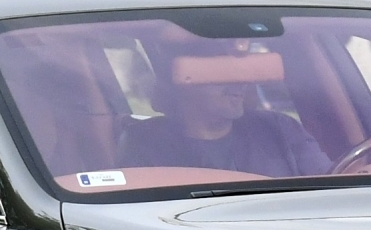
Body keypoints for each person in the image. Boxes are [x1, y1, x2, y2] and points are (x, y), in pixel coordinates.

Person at [120, 47, 330, 178]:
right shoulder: (146, 145)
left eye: (241, 73)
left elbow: (330, 185)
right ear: (185, 83)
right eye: (222, 75)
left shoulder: (279, 129)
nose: (240, 84)